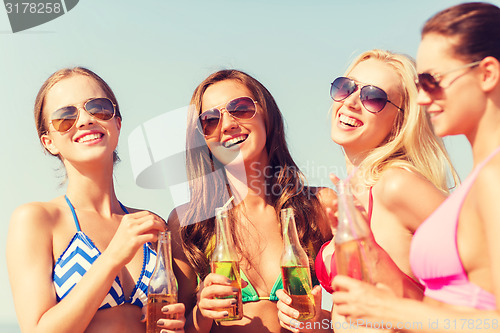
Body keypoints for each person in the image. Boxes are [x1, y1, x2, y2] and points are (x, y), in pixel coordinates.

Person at [331, 3, 500, 332]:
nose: (421, 99)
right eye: (420, 84)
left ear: (487, 74)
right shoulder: (479, 180)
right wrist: (371, 254)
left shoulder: (494, 176)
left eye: (432, 81)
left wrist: (390, 310)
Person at [286, 49, 457, 332]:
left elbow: (479, 298)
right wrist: (319, 322)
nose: (352, 102)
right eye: (346, 88)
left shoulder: (397, 184)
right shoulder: (352, 191)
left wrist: (376, 261)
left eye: (373, 97)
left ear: (400, 122)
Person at [6, 67, 185, 333]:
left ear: (117, 123)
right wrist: (113, 256)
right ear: (49, 142)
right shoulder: (36, 220)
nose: (85, 120)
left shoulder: (151, 225)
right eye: (65, 117)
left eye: (98, 108)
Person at [167, 69, 335, 332]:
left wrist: (319, 322)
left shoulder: (319, 206)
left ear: (267, 114)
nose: (227, 124)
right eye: (210, 119)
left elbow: (363, 317)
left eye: (240, 108)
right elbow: (172, 329)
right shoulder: (188, 222)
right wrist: (202, 313)